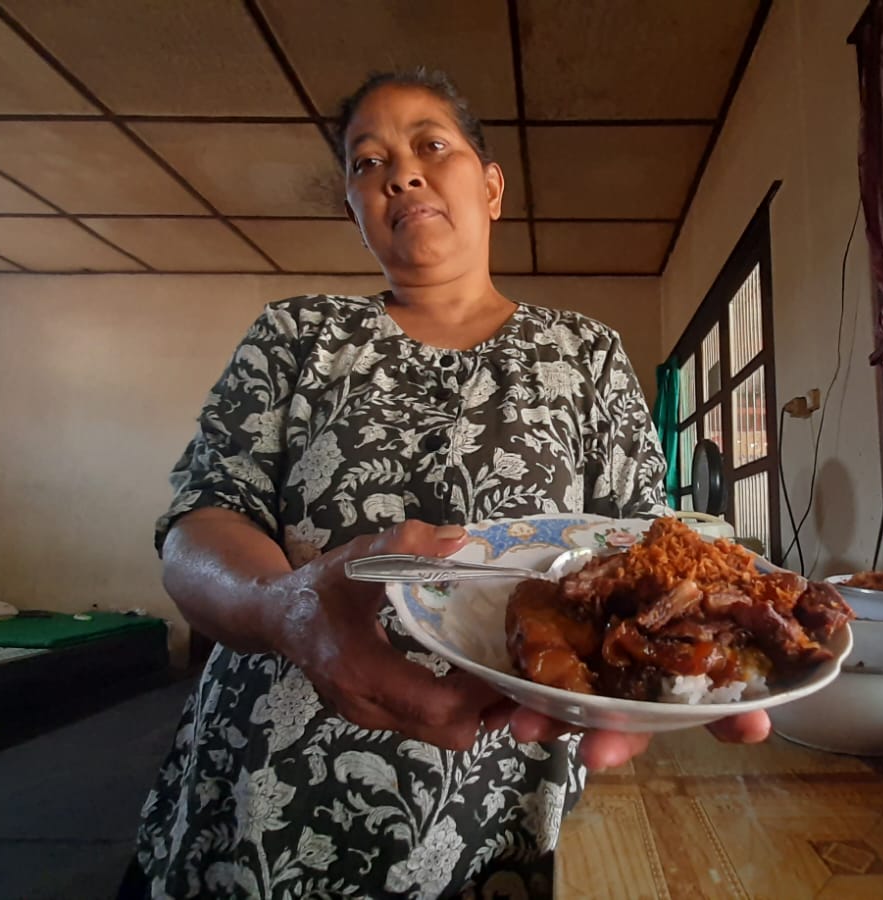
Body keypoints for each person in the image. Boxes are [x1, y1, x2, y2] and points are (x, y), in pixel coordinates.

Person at [121, 69, 769, 899]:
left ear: (491, 187)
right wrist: (284, 611)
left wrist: (706, 643)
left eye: (431, 145)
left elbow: (646, 548)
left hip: (506, 777)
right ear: (355, 211)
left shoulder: (587, 354)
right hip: (270, 776)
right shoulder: (295, 335)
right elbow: (201, 521)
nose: (401, 174)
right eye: (368, 163)